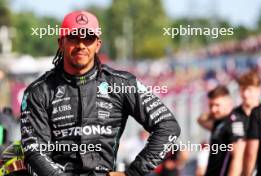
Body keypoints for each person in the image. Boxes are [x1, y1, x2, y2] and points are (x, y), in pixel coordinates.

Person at [19, 10, 181, 176]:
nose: (81, 45)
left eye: (88, 38)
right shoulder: (38, 91)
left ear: (98, 44)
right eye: (74, 37)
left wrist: (133, 173)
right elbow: (34, 151)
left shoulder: (121, 84)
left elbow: (168, 127)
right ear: (61, 43)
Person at [199, 85, 245, 176]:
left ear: (229, 103)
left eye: (217, 105)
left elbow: (237, 159)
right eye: (211, 105)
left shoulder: (234, 122)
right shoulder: (219, 122)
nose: (213, 109)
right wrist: (214, 112)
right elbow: (200, 120)